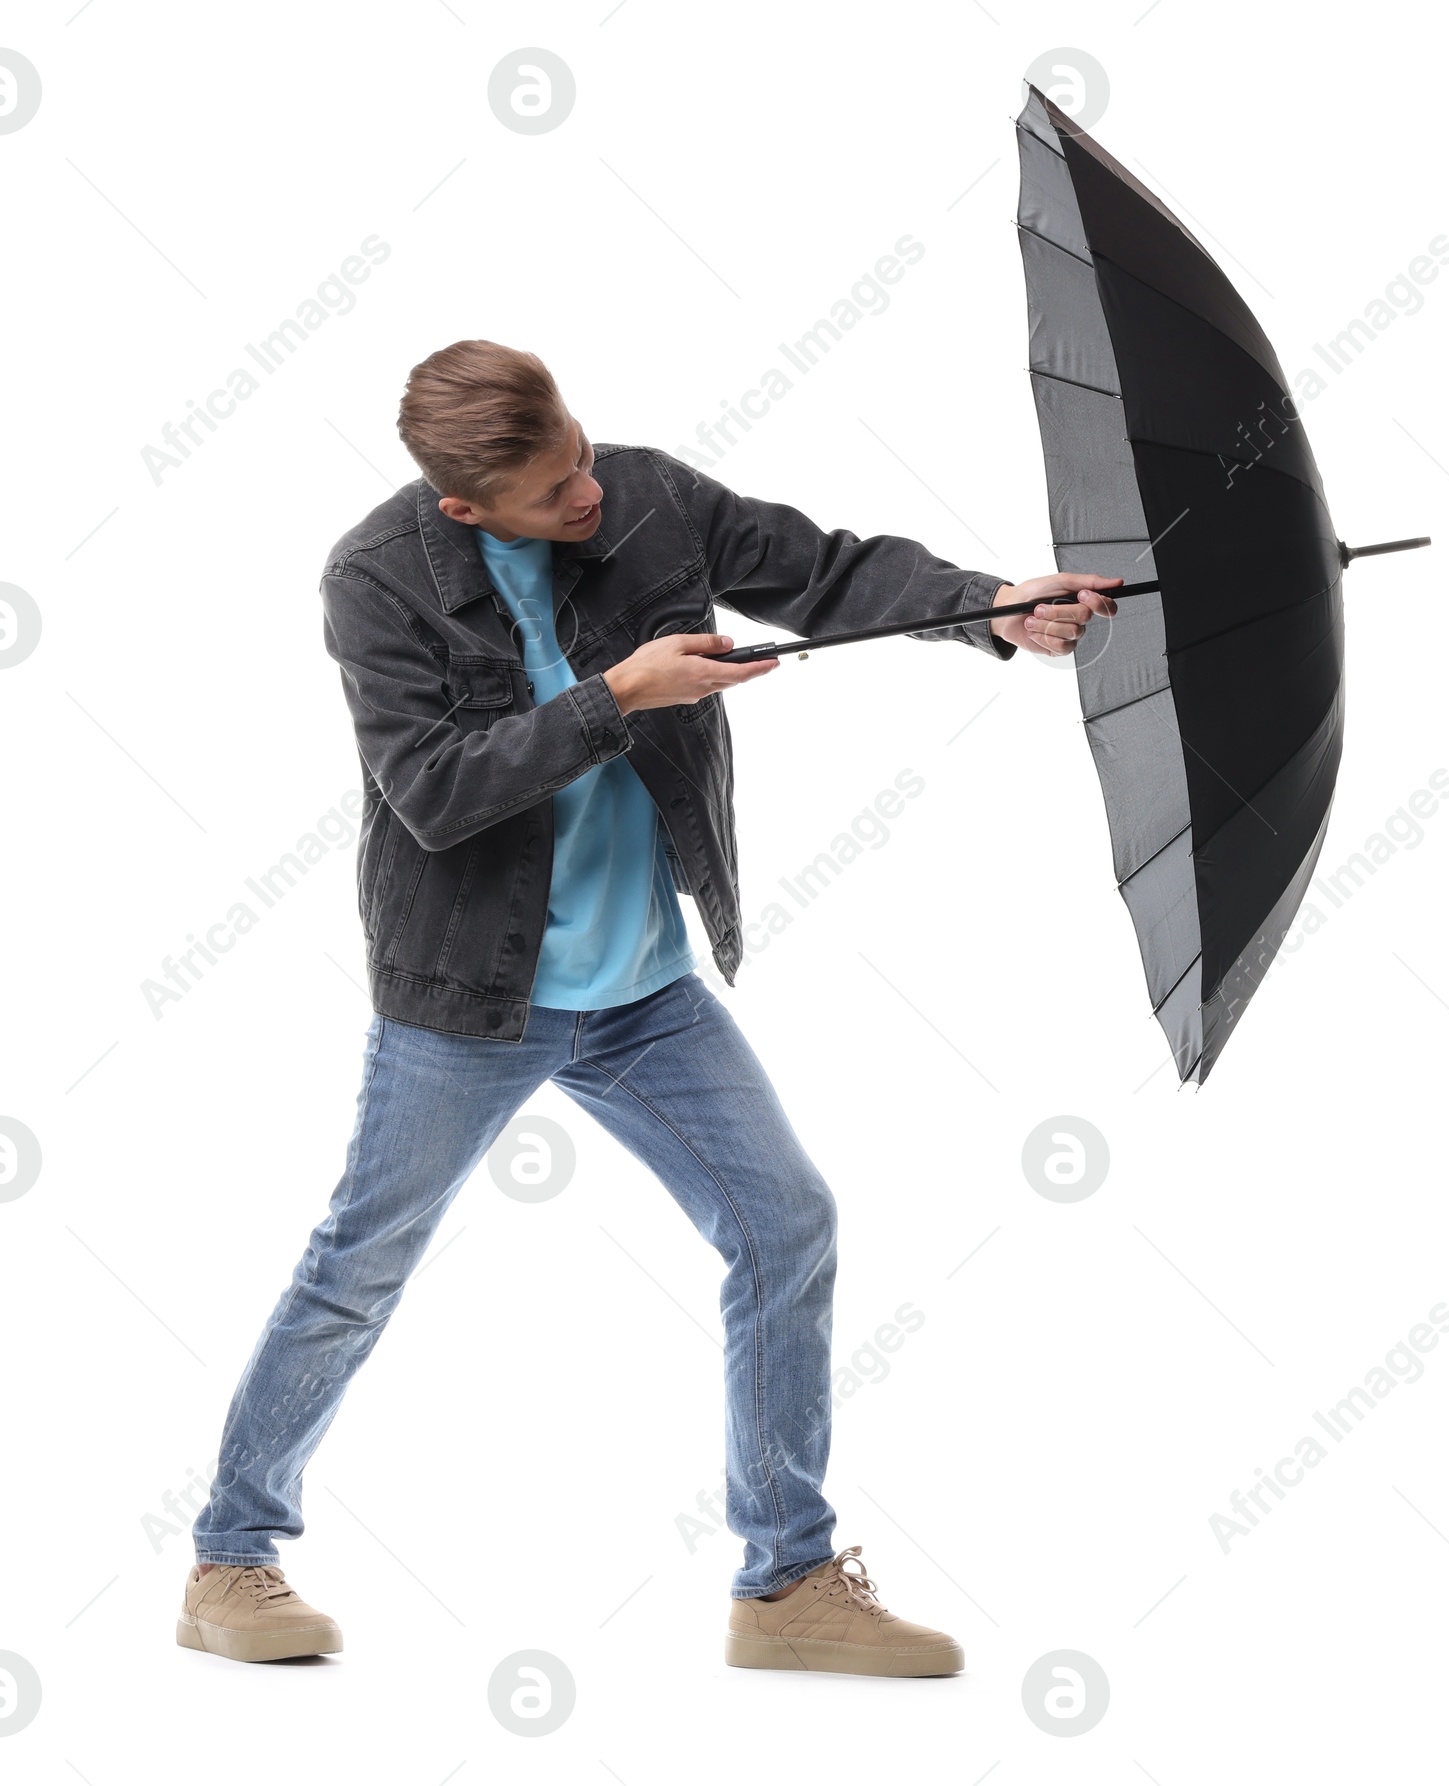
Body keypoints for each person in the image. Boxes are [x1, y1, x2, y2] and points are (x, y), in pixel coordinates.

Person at [177, 339, 1120, 1672]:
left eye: (581, 452)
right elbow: (435, 789)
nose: (590, 494)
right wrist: (619, 693)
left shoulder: (645, 493)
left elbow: (827, 570)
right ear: (466, 508)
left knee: (785, 1220)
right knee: (360, 1263)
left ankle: (785, 1580)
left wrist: (990, 605)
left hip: (642, 989)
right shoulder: (376, 579)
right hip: (470, 995)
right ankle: (230, 1555)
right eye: (554, 489)